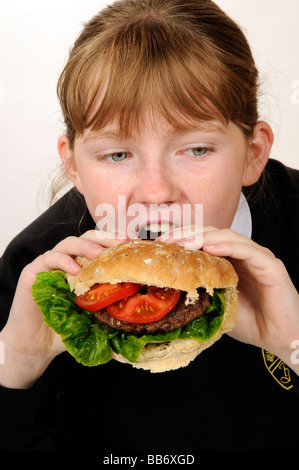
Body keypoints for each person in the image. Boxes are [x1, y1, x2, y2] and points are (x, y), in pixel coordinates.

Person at [0, 0, 299, 452]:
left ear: (253, 152)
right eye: (117, 155)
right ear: (73, 165)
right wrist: (15, 365)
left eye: (196, 150)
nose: (156, 193)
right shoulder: (37, 268)